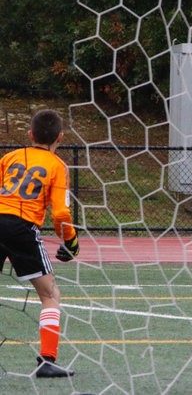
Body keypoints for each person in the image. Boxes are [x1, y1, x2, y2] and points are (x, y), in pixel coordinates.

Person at [0, 109, 80, 377]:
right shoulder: (57, 166)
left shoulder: (10, 157)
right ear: (60, 137)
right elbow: (61, 213)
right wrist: (70, 241)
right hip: (21, 228)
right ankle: (47, 361)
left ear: (30, 135)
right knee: (50, 295)